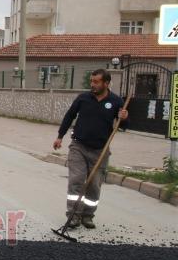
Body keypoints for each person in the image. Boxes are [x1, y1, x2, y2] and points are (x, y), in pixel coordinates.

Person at [53, 69, 128, 229]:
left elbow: (124, 126)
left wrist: (124, 118)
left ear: (106, 83)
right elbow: (69, 116)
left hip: (100, 150)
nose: (92, 84)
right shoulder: (83, 98)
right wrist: (60, 136)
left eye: (96, 82)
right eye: (91, 81)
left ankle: (87, 215)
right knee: (76, 180)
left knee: (94, 185)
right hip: (78, 146)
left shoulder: (116, 101)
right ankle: (73, 216)